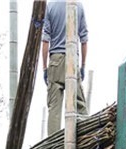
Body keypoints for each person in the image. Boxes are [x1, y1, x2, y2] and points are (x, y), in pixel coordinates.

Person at [41, 0, 88, 134]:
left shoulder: (51, 6)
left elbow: (45, 41)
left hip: (56, 60)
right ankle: (86, 136)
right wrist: (83, 65)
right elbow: (84, 40)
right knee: (80, 106)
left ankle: (53, 147)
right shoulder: (79, 6)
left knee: (54, 110)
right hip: (73, 60)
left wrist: (45, 68)